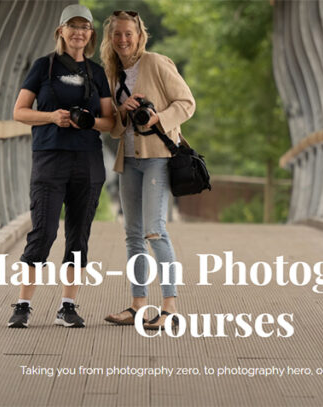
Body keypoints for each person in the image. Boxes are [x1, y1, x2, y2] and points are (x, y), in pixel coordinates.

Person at [7, 4, 114, 328]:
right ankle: (23, 304)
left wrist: (88, 121)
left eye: (84, 27)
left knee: (79, 235)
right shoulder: (43, 67)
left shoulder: (97, 73)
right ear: (61, 31)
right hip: (50, 156)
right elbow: (20, 112)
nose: (78, 32)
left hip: (87, 159)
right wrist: (52, 117)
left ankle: (68, 306)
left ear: (91, 34)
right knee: (44, 230)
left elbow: (109, 122)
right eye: (72, 26)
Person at [99, 10, 196, 330]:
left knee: (155, 230)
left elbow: (186, 103)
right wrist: (122, 112)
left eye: (129, 33)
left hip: (157, 157)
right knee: (132, 236)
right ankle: (138, 305)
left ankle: (170, 307)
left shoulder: (156, 63)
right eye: (117, 35)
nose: (123, 40)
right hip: (128, 160)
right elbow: (113, 130)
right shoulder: (112, 73)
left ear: (140, 35)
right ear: (110, 39)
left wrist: (158, 119)